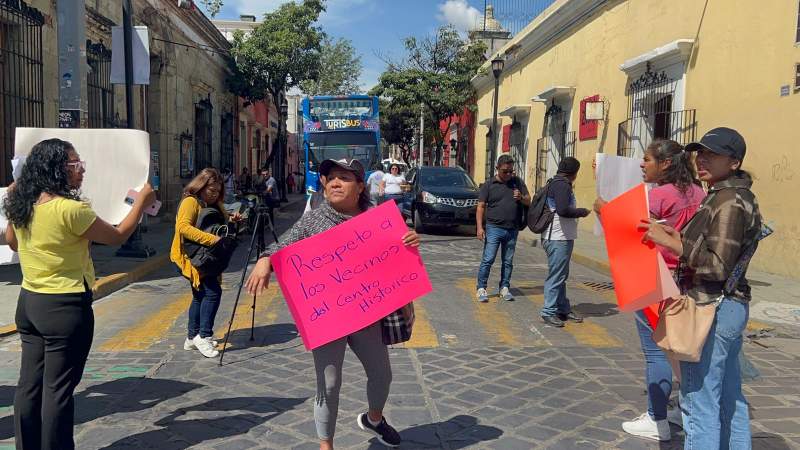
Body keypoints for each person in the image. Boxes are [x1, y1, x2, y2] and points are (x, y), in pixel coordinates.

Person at [245, 158, 420, 450]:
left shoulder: (379, 219)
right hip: (327, 318)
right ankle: (326, 445)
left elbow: (399, 255)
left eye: (344, 178)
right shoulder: (313, 220)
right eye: (331, 178)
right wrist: (265, 260)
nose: (335, 183)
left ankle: (374, 419)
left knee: (382, 375)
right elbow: (280, 246)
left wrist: (410, 241)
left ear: (360, 187)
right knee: (328, 384)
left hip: (367, 314)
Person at [3, 138, 155, 449]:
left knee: (29, 385)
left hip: (29, 302)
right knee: (57, 390)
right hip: (65, 305)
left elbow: (14, 243)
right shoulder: (71, 210)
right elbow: (117, 236)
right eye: (75, 165)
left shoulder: (24, 205)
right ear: (56, 169)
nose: (81, 170)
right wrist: (141, 201)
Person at [640, 127, 761, 449]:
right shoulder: (724, 194)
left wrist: (674, 245)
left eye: (712, 154)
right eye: (700, 153)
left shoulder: (729, 201)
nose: (701, 159)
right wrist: (679, 238)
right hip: (727, 306)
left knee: (698, 402)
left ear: (734, 162)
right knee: (730, 399)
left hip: (712, 307)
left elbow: (718, 266)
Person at [595, 139, 706, 441]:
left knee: (657, 352)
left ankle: (657, 420)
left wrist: (603, 209)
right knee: (682, 351)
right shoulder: (698, 192)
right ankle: (684, 409)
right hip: (688, 280)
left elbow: (627, 229)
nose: (642, 165)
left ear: (666, 164)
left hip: (656, 278)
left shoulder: (658, 196)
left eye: (647, 159)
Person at [171, 168, 236, 359]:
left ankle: (192, 337)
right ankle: (204, 335)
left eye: (218, 191)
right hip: (192, 257)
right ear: (201, 186)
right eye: (211, 190)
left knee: (199, 296)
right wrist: (213, 240)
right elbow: (183, 228)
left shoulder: (214, 204)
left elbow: (220, 222)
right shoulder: (190, 202)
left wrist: (232, 220)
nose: (214, 194)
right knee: (213, 293)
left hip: (206, 257)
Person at [540, 157, 591, 327]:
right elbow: (562, 210)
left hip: (559, 237)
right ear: (574, 173)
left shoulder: (556, 182)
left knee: (561, 275)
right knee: (556, 276)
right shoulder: (562, 185)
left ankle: (562, 308)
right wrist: (581, 212)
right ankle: (548, 311)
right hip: (558, 238)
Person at [475, 154, 531, 303]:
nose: (508, 174)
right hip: (494, 228)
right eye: (505, 171)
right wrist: (479, 227)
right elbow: (480, 206)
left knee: (508, 261)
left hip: (512, 229)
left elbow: (528, 200)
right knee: (488, 259)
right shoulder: (489, 185)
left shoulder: (517, 182)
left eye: (511, 171)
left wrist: (521, 197)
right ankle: (481, 288)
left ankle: (504, 287)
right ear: (497, 168)